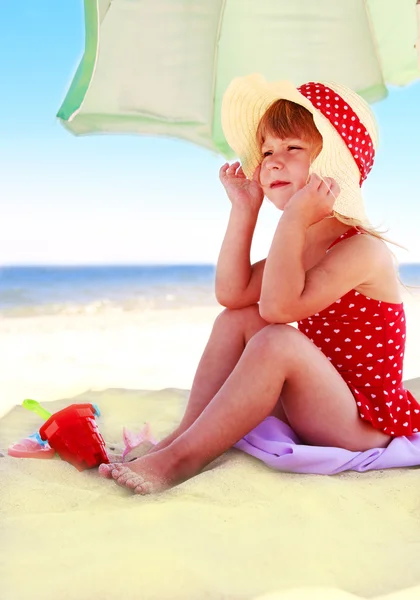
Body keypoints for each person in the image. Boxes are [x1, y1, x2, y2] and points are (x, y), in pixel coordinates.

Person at [99, 75, 419, 494]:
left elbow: (280, 312)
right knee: (238, 319)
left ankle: (181, 461)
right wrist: (245, 211)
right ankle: (179, 438)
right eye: (267, 150)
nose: (270, 161)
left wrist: (292, 220)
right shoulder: (299, 245)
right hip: (317, 403)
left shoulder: (362, 250)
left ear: (330, 167)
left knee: (276, 340)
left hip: (361, 422)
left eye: (292, 148)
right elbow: (232, 296)